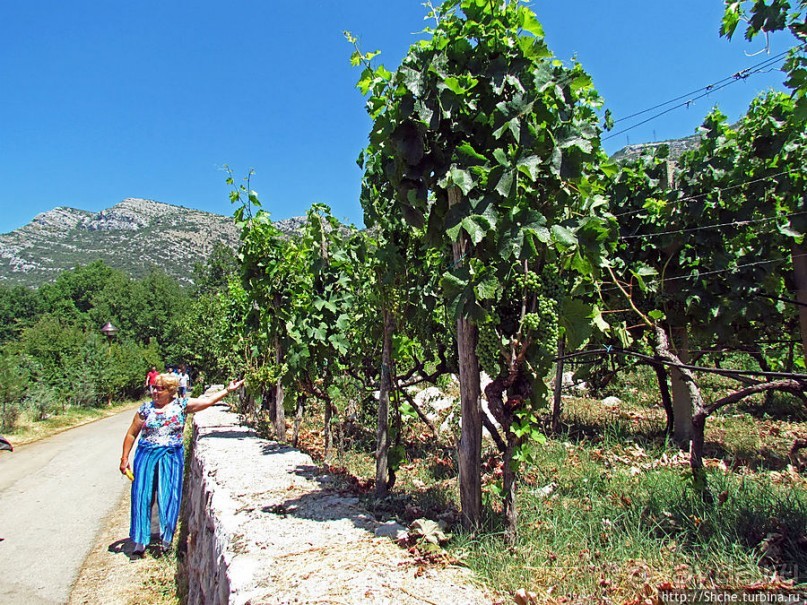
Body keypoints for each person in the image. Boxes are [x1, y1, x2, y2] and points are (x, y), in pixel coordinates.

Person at [119, 372, 244, 556]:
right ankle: (140, 541)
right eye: (154, 388)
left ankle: (166, 539)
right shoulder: (145, 409)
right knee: (142, 495)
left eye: (160, 389)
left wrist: (227, 390)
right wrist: (124, 458)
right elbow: (131, 434)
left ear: (171, 391)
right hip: (146, 455)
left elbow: (207, 402)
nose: (155, 392)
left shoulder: (181, 405)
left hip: (171, 455)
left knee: (169, 495)